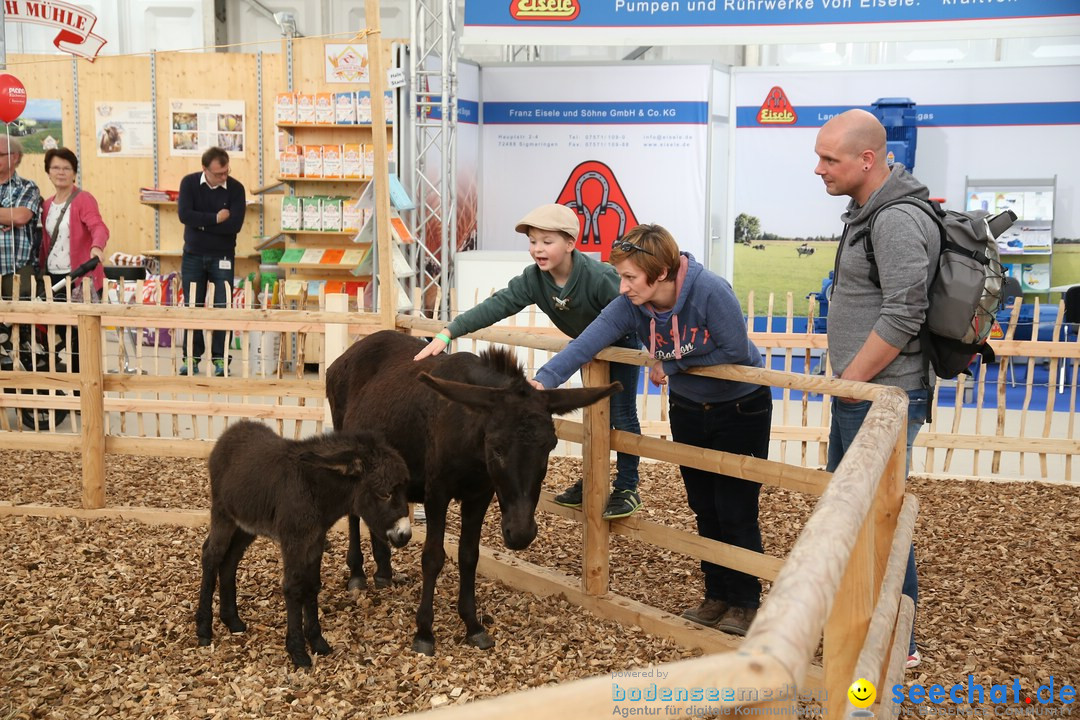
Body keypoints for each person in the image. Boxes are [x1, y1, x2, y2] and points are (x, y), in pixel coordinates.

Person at [529, 223, 772, 637]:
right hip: (689, 407)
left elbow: (737, 349)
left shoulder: (711, 291)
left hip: (740, 407)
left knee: (735, 507)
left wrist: (673, 364)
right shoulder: (632, 304)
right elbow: (587, 342)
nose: (622, 287)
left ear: (660, 274)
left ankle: (746, 603)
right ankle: (716, 595)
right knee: (703, 504)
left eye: (629, 278)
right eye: (620, 276)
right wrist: (543, 381)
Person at [413, 203, 645, 519]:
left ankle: (628, 486)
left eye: (547, 241)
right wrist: (449, 332)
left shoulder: (599, 277)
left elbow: (636, 312)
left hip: (622, 347)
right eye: (533, 241)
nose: (538, 249)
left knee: (621, 413)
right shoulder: (534, 279)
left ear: (570, 244)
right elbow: (497, 305)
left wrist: (656, 353)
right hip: (588, 352)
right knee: (595, 417)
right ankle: (594, 478)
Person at [814, 108, 939, 669]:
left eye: (828, 158)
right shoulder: (866, 209)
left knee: (878, 517)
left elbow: (905, 311)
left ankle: (897, 644)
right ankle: (865, 624)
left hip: (882, 397)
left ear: (868, 160)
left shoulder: (892, 220)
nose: (818, 168)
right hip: (863, 394)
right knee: (855, 514)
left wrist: (852, 378)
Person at [38, 147, 110, 373]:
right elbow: (46, 242)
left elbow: (98, 226)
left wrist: (97, 247)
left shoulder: (83, 199)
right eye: (56, 168)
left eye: (66, 168)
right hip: (54, 277)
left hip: (79, 276)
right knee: (58, 334)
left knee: (81, 340)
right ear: (48, 172)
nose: (61, 172)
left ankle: (84, 393)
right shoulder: (47, 205)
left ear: (74, 173)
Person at [176, 146, 246, 376]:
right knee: (192, 307)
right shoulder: (189, 183)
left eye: (226, 172)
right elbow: (185, 216)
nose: (223, 177)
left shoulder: (236, 189)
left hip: (223, 256)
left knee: (222, 307)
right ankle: (192, 357)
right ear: (205, 169)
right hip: (193, 255)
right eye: (218, 173)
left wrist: (201, 224)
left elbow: (234, 226)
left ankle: (220, 359)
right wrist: (215, 218)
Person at [0, 137, 42, 302]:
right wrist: (6, 215)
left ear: (15, 157)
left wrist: (12, 216)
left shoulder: (27, 187)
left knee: (20, 323)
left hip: (18, 270)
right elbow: (13, 215)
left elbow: (20, 216)